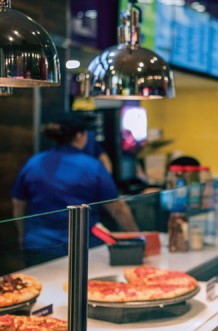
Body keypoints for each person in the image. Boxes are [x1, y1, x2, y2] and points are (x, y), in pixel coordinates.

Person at [11, 114, 138, 267]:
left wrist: (21, 235)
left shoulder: (34, 163)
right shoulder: (92, 166)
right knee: (79, 289)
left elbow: (18, 204)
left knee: (44, 289)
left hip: (38, 245)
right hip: (81, 247)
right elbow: (117, 208)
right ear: (79, 136)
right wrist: (137, 237)